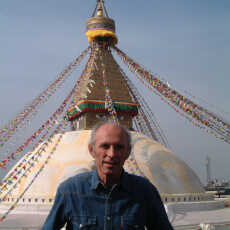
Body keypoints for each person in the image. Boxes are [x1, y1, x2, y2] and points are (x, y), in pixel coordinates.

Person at [42, 119, 174, 229]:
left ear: (128, 152)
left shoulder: (145, 192)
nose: (111, 154)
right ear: (92, 150)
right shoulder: (70, 192)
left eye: (119, 147)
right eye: (105, 146)